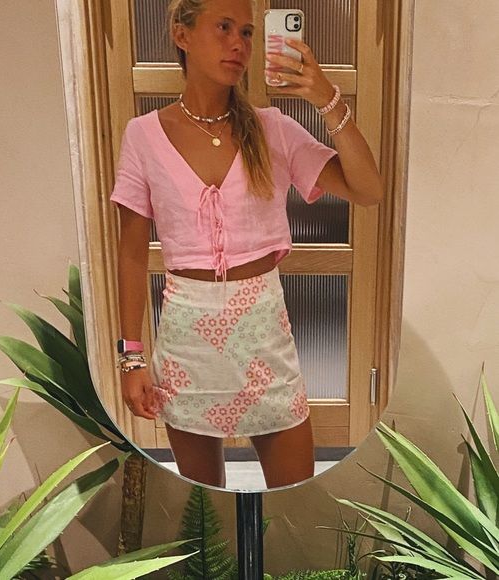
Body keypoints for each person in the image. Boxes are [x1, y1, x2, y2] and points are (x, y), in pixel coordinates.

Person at [110, 0, 383, 489]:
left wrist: (326, 99)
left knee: (294, 496)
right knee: (205, 507)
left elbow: (368, 190)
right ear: (181, 34)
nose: (239, 44)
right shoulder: (143, 136)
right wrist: (131, 359)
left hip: (263, 337)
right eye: (223, 27)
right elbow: (131, 254)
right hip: (187, 344)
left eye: (248, 32)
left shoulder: (272, 128)